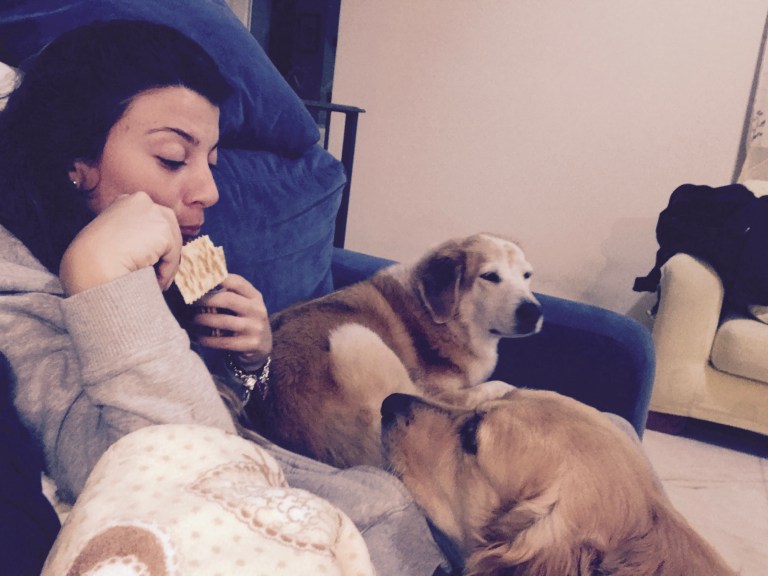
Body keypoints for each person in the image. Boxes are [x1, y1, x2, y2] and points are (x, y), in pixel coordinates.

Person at [0, 20, 447, 576]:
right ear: (74, 162)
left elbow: (224, 421)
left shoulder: (170, 261)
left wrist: (250, 366)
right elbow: (176, 480)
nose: (209, 192)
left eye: (211, 161)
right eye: (172, 158)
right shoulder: (17, 299)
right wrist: (101, 280)